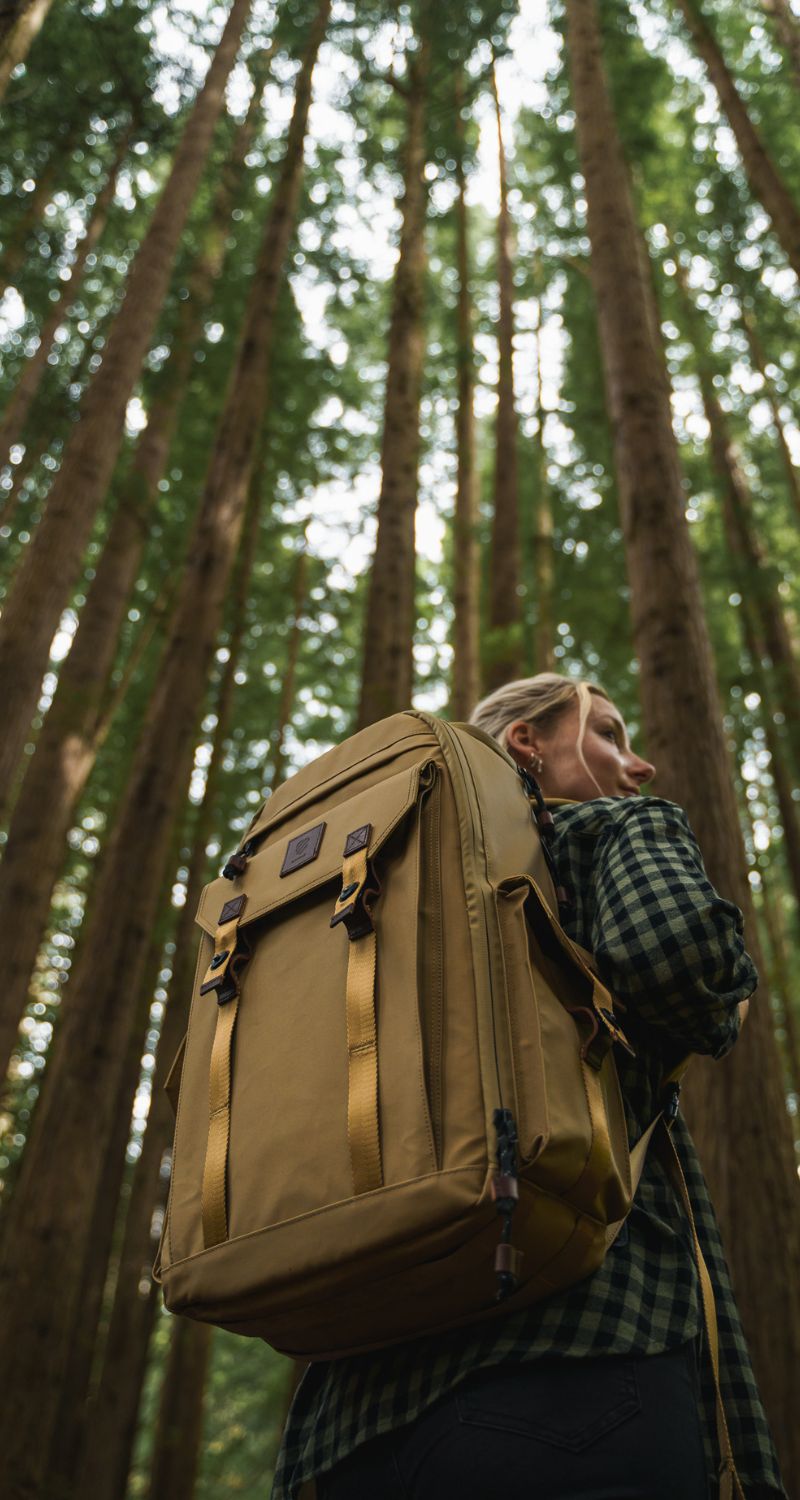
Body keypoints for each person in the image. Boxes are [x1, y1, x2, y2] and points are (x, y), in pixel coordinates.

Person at [272, 674, 786, 1500]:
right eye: (611, 734)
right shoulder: (606, 827)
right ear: (528, 745)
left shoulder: (376, 904)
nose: (640, 764)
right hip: (578, 1357)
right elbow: (676, 960)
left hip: (345, 1429)